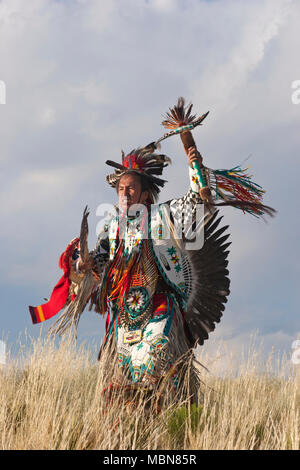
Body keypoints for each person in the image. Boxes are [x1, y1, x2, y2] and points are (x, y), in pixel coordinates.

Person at [29, 98, 274, 407]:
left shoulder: (163, 216)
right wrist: (84, 261)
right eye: (120, 189)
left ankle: (175, 414)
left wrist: (193, 160)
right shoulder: (112, 227)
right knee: (116, 378)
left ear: (145, 194)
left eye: (131, 188)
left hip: (160, 305)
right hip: (125, 315)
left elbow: (198, 202)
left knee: (157, 359)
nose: (125, 193)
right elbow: (98, 260)